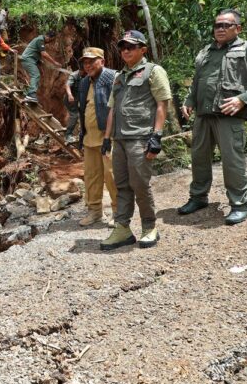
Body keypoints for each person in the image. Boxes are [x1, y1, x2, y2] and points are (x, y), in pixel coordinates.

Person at [177, 9, 247, 225]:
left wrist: (242, 99)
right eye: (217, 25)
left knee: (232, 162)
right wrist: (189, 100)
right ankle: (198, 197)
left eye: (225, 25)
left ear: (237, 28)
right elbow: (198, 80)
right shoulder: (206, 52)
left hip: (229, 116)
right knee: (199, 159)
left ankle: (240, 204)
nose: (219, 29)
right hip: (203, 115)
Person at [101, 30, 172, 250]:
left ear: (143, 49)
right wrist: (106, 138)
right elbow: (112, 108)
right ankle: (122, 228)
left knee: (140, 184)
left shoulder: (153, 71)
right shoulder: (119, 76)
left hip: (140, 137)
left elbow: (162, 104)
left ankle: (149, 227)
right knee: (121, 185)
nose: (125, 51)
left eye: (130, 47)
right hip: (120, 139)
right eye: (122, 47)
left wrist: (157, 136)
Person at [77, 48, 117, 228]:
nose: (88, 65)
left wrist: (110, 136)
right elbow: (81, 109)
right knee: (91, 176)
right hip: (89, 137)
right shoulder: (85, 82)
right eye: (85, 62)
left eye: (92, 61)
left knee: (112, 175)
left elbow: (116, 108)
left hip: (108, 137)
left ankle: (119, 212)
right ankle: (94, 211)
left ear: (102, 61)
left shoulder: (113, 78)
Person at [20, 30, 62, 103]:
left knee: (36, 75)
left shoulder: (40, 40)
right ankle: (31, 95)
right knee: (35, 75)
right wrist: (54, 62)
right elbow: (44, 54)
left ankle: (30, 94)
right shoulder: (40, 40)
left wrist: (39, 61)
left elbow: (35, 51)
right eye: (51, 40)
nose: (50, 42)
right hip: (28, 60)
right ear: (48, 37)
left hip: (29, 59)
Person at [63, 66, 85, 144]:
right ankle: (68, 135)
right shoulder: (74, 75)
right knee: (74, 115)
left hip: (79, 100)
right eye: (83, 71)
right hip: (70, 100)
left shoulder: (87, 75)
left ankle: (83, 135)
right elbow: (67, 85)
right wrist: (69, 95)